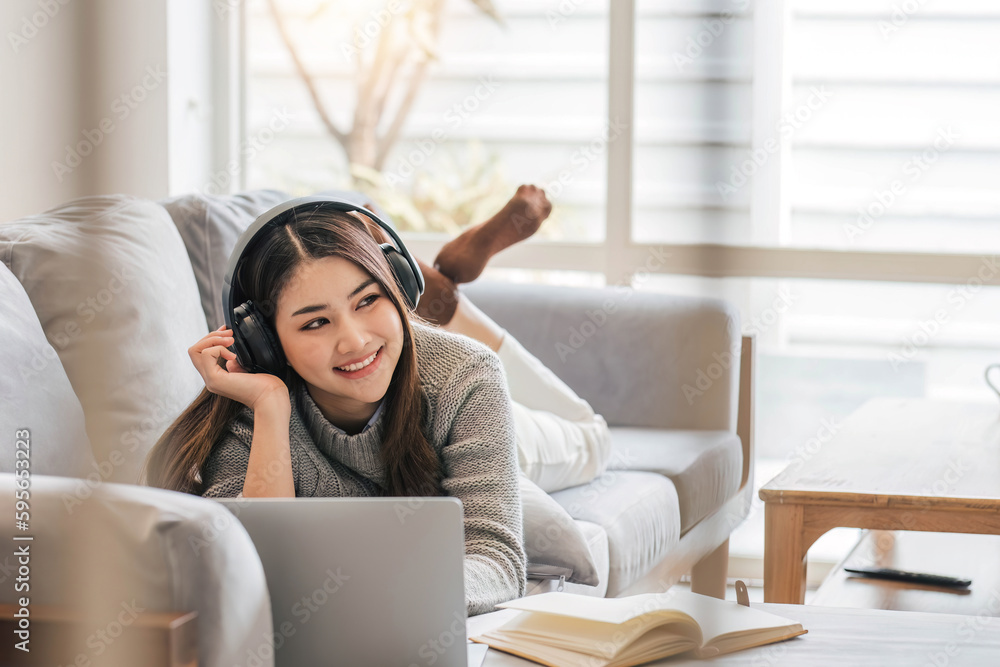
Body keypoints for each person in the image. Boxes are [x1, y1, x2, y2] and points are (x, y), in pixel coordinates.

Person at [143, 186, 611, 615]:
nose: (353, 341)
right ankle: (446, 290)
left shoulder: (466, 376)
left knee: (591, 440)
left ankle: (453, 305)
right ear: (264, 342)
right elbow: (253, 574)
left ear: (399, 287)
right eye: (314, 323)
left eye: (367, 300)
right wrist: (270, 406)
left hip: (480, 421)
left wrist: (397, 599)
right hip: (400, 380)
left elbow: (497, 558)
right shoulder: (255, 413)